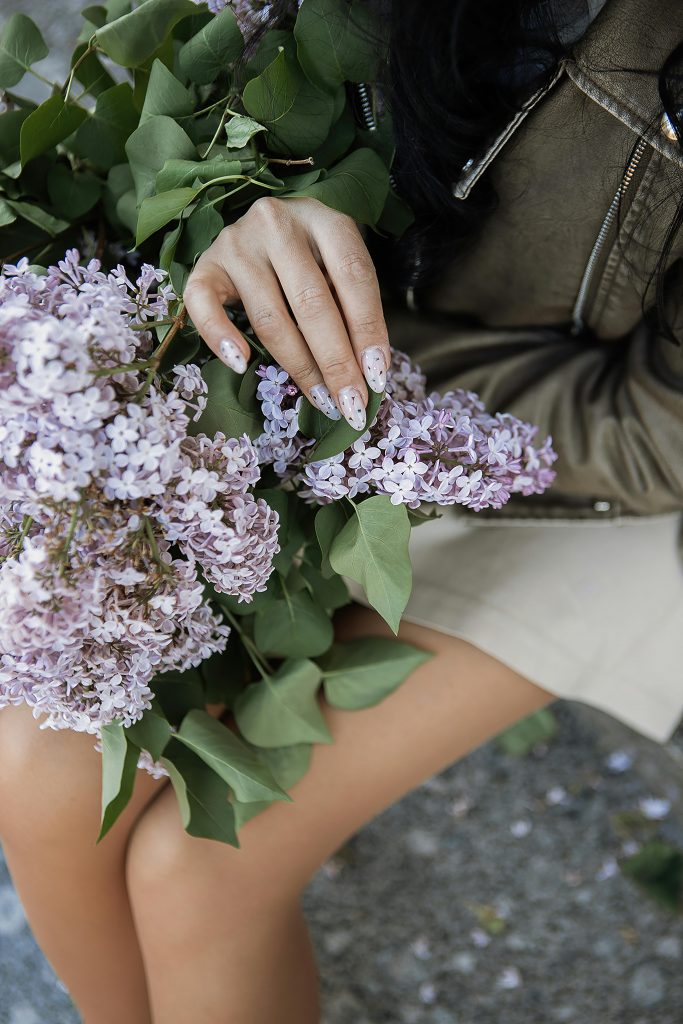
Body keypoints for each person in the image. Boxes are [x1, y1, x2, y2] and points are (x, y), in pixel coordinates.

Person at [1, 1, 682, 1021]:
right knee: (40, 770)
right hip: (346, 402)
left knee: (196, 871)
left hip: (607, 474)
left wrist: (343, 376)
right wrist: (237, 223)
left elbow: (649, 436)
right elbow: (234, 77)